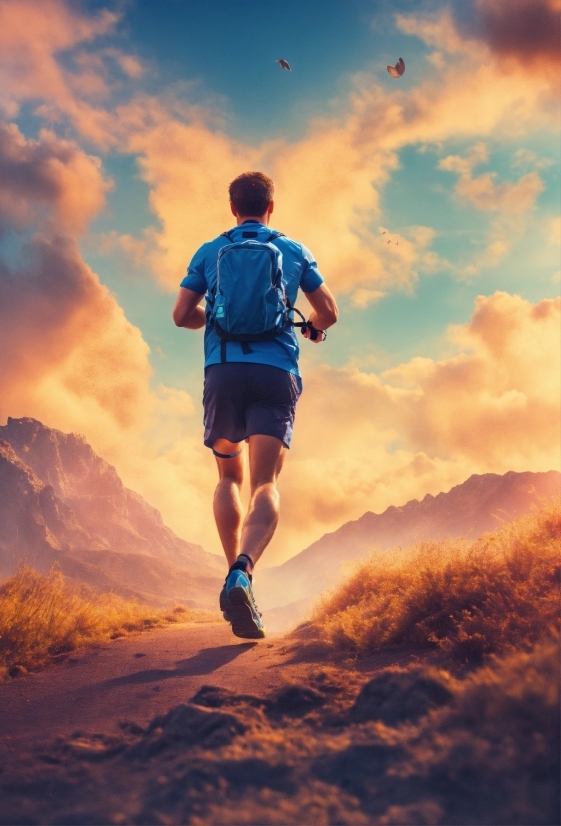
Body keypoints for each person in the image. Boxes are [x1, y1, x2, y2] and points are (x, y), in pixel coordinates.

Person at [173, 171, 338, 640]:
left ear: (232, 208)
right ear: (271, 207)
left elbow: (182, 315)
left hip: (222, 371)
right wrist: (313, 329)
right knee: (265, 482)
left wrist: (215, 319)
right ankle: (243, 572)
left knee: (229, 477)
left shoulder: (210, 251)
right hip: (275, 372)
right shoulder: (293, 249)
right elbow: (328, 311)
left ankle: (234, 578)